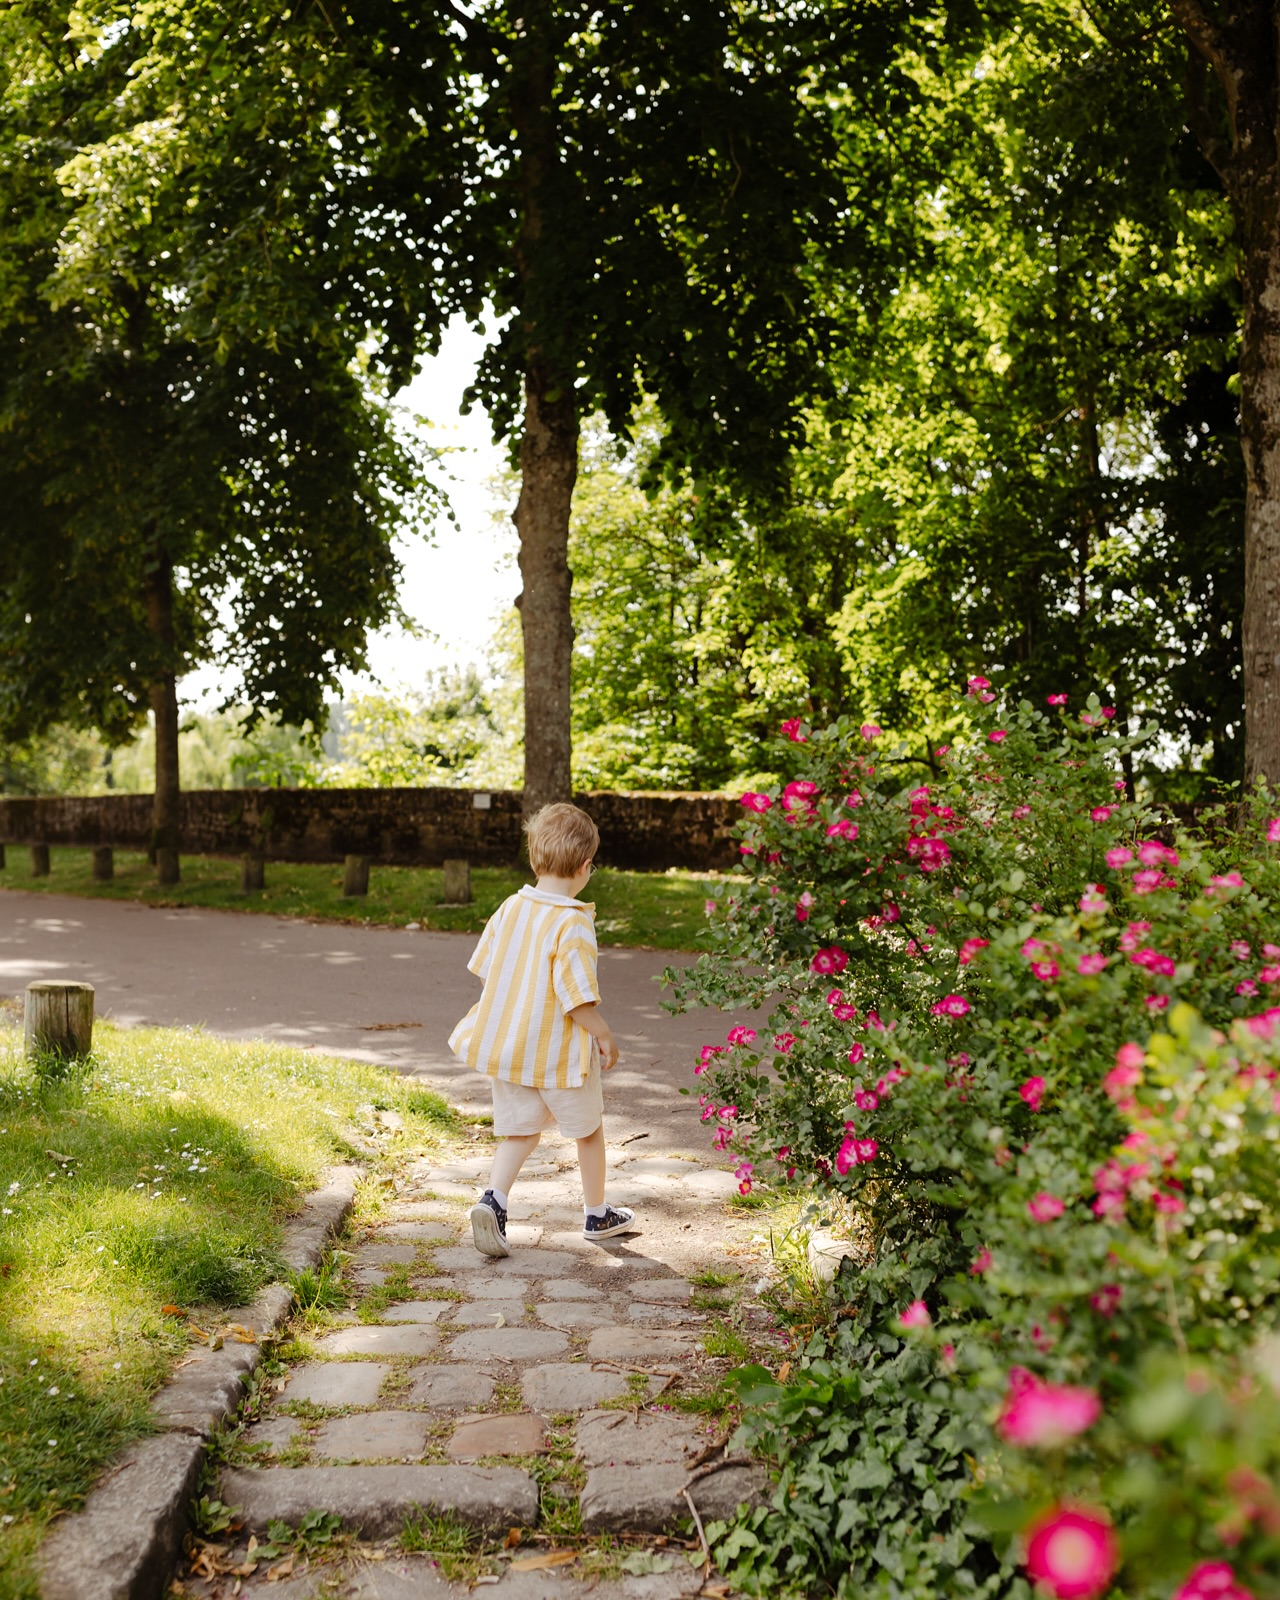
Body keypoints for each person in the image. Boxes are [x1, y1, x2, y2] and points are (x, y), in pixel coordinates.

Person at [448, 801, 636, 1258]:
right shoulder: (573, 921)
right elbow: (577, 997)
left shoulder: (512, 907)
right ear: (586, 866)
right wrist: (604, 1033)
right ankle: (597, 1214)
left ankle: (494, 1200)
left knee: (519, 1132)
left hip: (513, 1047)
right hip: (560, 1055)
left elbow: (487, 969)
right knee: (588, 1130)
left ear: (535, 859)